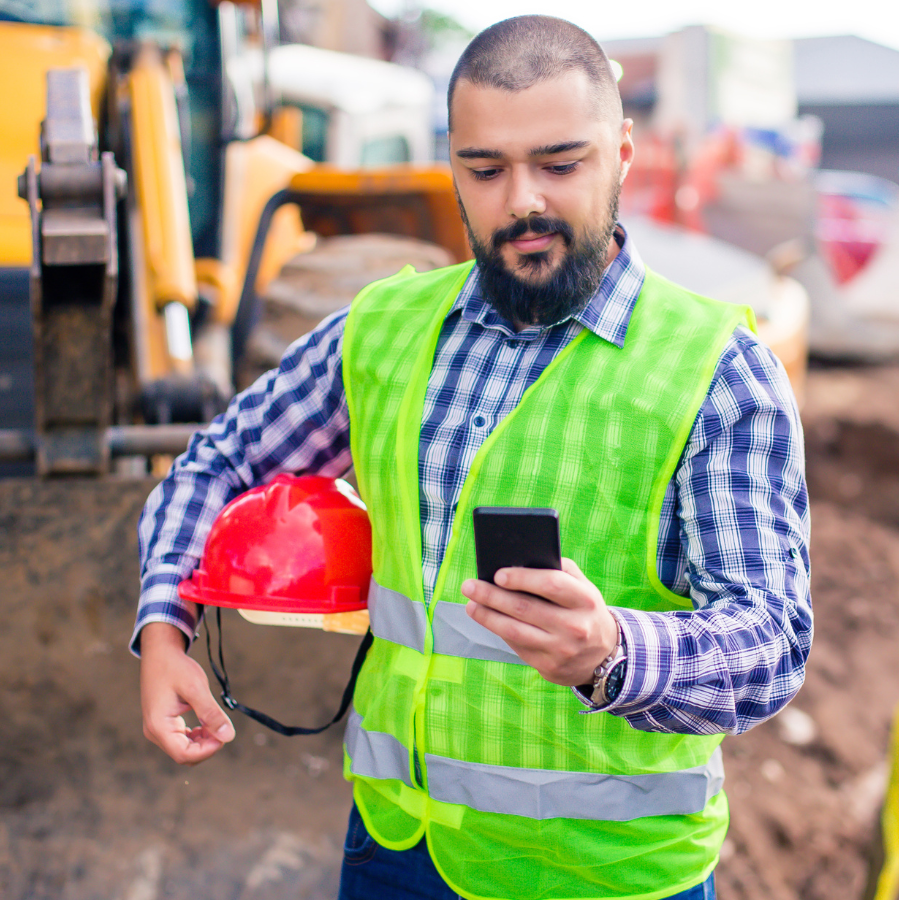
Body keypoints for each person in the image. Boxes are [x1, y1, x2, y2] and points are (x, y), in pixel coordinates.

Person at [134, 15, 811, 900]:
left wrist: (612, 650)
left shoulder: (713, 369)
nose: (521, 200)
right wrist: (163, 626)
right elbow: (218, 461)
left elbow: (771, 639)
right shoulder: (384, 331)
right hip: (394, 854)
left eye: (559, 165)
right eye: (484, 170)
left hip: (607, 879)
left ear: (622, 152)